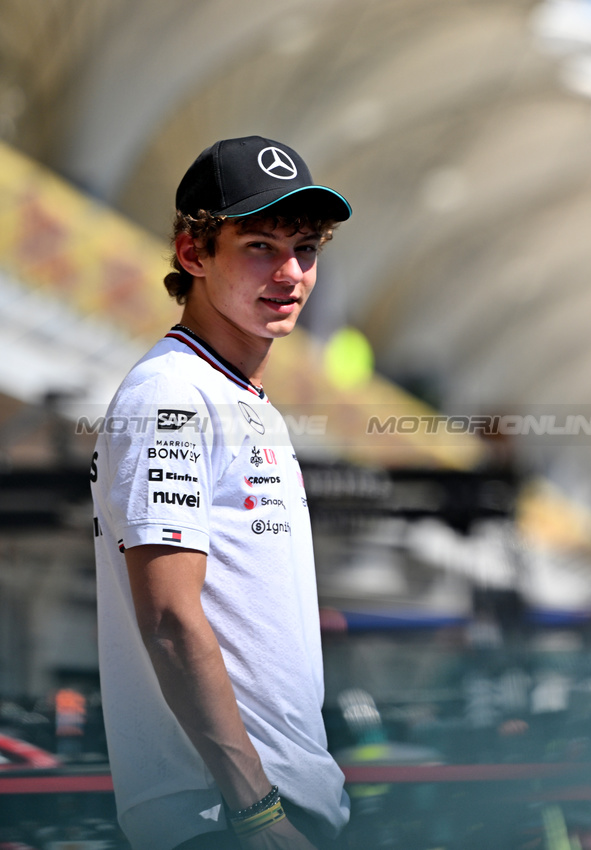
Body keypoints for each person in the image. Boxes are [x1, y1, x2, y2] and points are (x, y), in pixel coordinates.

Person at [90, 136, 352, 850]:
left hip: (275, 806)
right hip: (223, 818)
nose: (290, 272)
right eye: (260, 246)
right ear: (192, 254)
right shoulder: (170, 393)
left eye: (305, 247)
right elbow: (171, 617)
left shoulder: (239, 397)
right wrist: (256, 809)